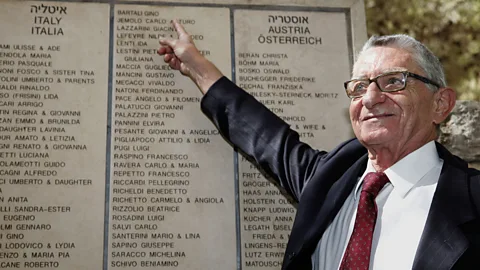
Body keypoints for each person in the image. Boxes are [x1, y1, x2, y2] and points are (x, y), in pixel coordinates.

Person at [157, 20, 480, 270]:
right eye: (359, 86)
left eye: (393, 81)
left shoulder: (472, 199)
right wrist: (197, 67)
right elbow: (264, 136)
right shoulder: (330, 178)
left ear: (441, 103)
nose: (370, 98)